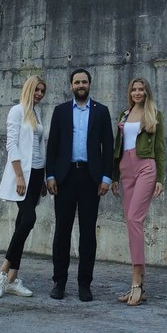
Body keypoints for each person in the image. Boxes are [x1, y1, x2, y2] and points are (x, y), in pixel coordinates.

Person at [46, 69, 114, 301]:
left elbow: (109, 148)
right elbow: (52, 145)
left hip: (90, 179)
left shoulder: (102, 112)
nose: (81, 85)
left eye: (84, 81)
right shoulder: (60, 111)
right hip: (64, 178)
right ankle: (59, 283)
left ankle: (85, 284)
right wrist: (50, 175)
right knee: (61, 232)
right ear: (71, 85)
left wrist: (106, 177)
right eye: (77, 82)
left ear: (90, 84)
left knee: (88, 234)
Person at [0, 75, 47, 298]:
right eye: (37, 90)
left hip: (37, 174)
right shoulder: (17, 110)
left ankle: (13, 279)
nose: (40, 94)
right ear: (28, 89)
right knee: (29, 219)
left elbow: (39, 146)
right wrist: (19, 177)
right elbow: (11, 144)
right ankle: (1, 273)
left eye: (42, 91)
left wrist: (42, 178)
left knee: (21, 224)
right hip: (21, 176)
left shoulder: (37, 113)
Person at [111, 77, 165, 306]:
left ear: (147, 92)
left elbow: (160, 148)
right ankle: (138, 282)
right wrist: (114, 176)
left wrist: (160, 178)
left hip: (145, 167)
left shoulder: (154, 114)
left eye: (141, 89)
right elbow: (117, 147)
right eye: (134, 89)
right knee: (131, 222)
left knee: (134, 218)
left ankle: (136, 281)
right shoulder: (124, 114)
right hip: (125, 170)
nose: (137, 92)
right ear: (129, 92)